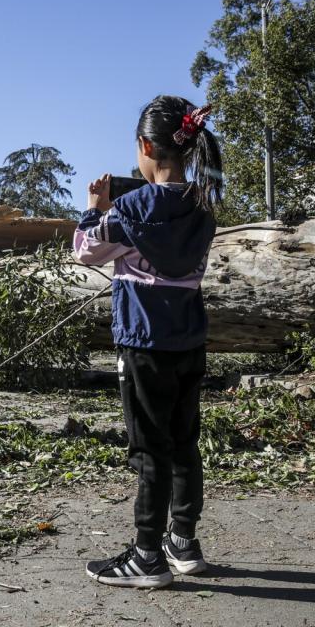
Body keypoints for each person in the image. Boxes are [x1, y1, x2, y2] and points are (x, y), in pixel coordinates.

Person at [74, 96, 221, 589]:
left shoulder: (132, 207)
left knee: (149, 447)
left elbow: (86, 252)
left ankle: (146, 555)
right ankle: (184, 542)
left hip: (143, 343)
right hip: (189, 339)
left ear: (144, 147)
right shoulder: (203, 205)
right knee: (184, 442)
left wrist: (92, 210)